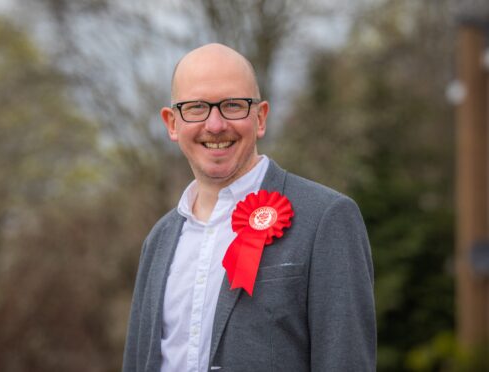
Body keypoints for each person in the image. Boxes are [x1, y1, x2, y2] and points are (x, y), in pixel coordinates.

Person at [122, 43, 376, 372]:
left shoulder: (326, 219)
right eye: (196, 107)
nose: (214, 125)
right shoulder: (158, 240)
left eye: (232, 105)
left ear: (260, 118)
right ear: (172, 123)